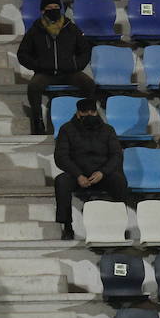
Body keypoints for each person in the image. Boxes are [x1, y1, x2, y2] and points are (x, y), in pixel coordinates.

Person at [18, 0, 96, 135]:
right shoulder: (35, 30)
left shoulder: (70, 28)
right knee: (34, 87)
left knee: (89, 85)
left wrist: (75, 65)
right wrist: (38, 65)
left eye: (56, 6)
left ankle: (89, 118)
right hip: (45, 73)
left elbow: (85, 50)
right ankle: (38, 121)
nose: (53, 10)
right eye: (49, 7)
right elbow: (22, 54)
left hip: (70, 72)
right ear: (43, 10)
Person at [53, 98, 127, 241]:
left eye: (92, 111)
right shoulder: (66, 129)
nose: (89, 114)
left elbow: (116, 155)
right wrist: (78, 175)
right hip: (77, 175)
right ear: (78, 113)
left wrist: (102, 172)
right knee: (61, 182)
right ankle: (67, 225)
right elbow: (61, 157)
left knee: (119, 181)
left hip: (102, 174)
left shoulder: (108, 130)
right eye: (85, 112)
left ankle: (119, 225)